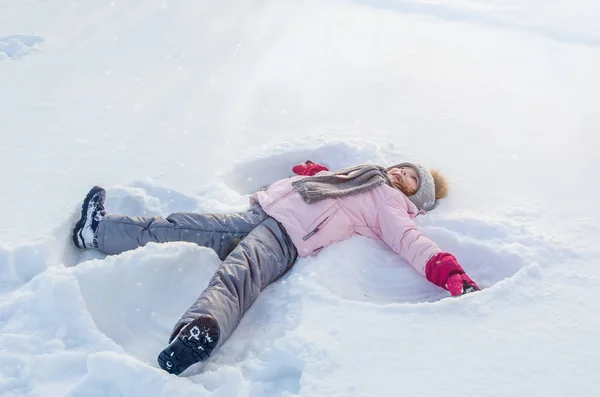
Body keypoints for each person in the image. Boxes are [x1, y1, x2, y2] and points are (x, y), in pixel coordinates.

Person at [71, 160, 479, 376]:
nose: (400, 175)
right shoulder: (360, 174)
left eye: (410, 181)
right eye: (403, 169)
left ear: (414, 198)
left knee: (237, 274)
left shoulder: (388, 203)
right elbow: (323, 184)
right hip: (263, 213)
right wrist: (310, 172)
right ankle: (99, 232)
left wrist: (448, 271)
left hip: (285, 236)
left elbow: (412, 241)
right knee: (184, 224)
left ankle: (200, 331)